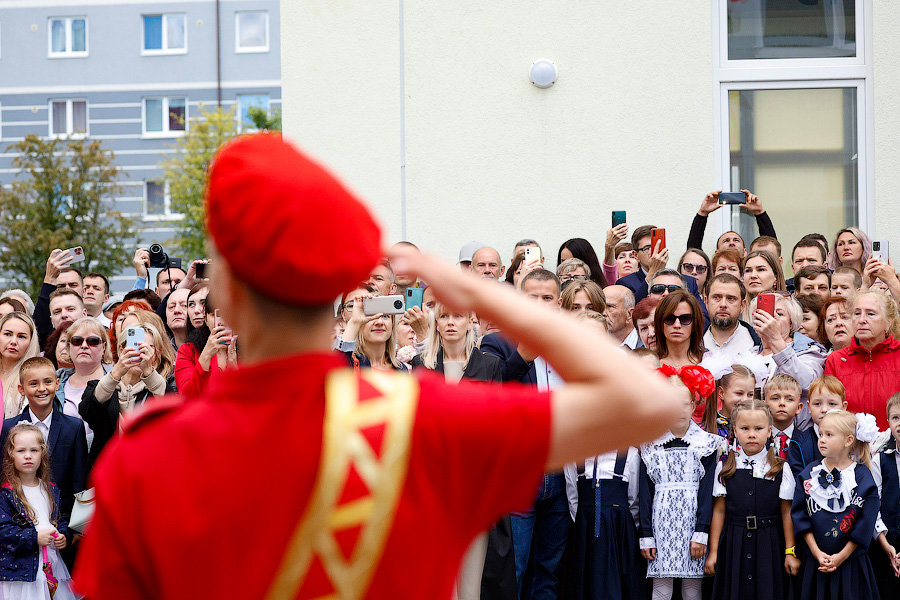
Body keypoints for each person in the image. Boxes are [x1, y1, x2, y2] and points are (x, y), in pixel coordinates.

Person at [72, 133, 681, 600]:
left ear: (223, 297)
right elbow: (651, 402)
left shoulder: (149, 458)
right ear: (341, 287)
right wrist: (488, 296)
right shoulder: (421, 422)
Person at [410, 305, 507, 598]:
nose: (451, 322)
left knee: (472, 582)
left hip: (473, 486)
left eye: (458, 316)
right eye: (444, 316)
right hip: (434, 486)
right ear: (435, 323)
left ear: (470, 322)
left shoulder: (490, 366)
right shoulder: (420, 365)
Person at [639, 369, 721, 600]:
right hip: (661, 525)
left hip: (692, 524)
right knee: (661, 586)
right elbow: (645, 494)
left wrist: (701, 532)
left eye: (684, 404)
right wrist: (647, 535)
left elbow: (707, 494)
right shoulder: (650, 446)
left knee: (692, 588)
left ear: (695, 404)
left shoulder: (706, 445)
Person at [705, 400, 798, 600]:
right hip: (734, 542)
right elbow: (719, 511)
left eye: (758, 428)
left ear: (769, 431)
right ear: (735, 431)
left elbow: (786, 512)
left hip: (769, 543)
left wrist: (790, 551)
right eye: (745, 428)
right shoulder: (725, 467)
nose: (752, 434)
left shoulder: (780, 468)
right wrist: (713, 552)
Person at [791, 410, 881, 600]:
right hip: (816, 565)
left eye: (829, 435)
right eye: (821, 434)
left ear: (849, 440)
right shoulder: (809, 474)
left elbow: (866, 522)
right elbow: (800, 516)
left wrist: (841, 556)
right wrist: (816, 553)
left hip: (851, 565)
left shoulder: (863, 477)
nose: (822, 439)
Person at [0, 357, 88, 526]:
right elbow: (4, 472)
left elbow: (79, 479)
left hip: (61, 520)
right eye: (33, 384)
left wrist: (76, 525)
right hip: (18, 520)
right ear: (22, 389)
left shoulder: (74, 426)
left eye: (47, 382)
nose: (42, 389)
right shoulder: (9, 427)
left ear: (57, 384)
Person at [79, 321, 177, 464]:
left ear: (156, 354)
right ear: (120, 349)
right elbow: (88, 411)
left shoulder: (159, 389)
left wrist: (149, 372)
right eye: (134, 346)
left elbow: (172, 415)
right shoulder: (101, 386)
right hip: (106, 472)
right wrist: (116, 373)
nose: (140, 352)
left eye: (148, 348)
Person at [0, 423, 76, 599]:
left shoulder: (50, 489)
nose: (28, 456)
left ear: (42, 453)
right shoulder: (6, 493)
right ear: (11, 453)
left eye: (34, 450)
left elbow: (59, 519)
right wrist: (35, 538)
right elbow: (3, 531)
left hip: (51, 566)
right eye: (21, 451)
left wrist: (62, 534)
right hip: (22, 572)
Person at [563, 445, 643, 600]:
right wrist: (584, 522)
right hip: (585, 531)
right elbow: (573, 496)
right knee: (584, 581)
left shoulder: (630, 454)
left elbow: (634, 500)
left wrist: (622, 525)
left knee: (619, 581)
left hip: (619, 532)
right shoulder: (574, 455)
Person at [825, 291, 900, 429]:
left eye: (871, 314)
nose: (861, 320)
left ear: (888, 322)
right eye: (857, 313)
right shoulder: (836, 360)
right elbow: (831, 412)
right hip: (850, 444)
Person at [751, 292, 827, 412]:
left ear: (791, 322)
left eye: (779, 314)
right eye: (765, 313)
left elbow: (809, 384)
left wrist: (775, 340)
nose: (771, 318)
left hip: (794, 428)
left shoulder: (808, 349)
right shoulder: (749, 354)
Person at [57, 317, 112, 452]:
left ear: (103, 347)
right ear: (69, 347)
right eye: (77, 341)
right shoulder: (55, 381)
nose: (84, 346)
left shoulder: (117, 379)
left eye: (93, 341)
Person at [785, 375, 846, 479]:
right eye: (817, 404)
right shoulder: (798, 444)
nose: (824, 409)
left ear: (843, 407)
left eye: (832, 404)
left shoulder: (851, 442)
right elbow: (797, 482)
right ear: (809, 407)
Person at [175, 299, 237, 400]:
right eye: (215, 315)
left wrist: (235, 371)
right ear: (206, 319)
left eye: (228, 314)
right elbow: (186, 397)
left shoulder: (252, 350)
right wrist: (206, 356)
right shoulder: (188, 350)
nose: (222, 322)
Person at [871, 392, 900, 600]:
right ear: (888, 421)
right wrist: (885, 544)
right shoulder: (879, 460)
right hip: (886, 543)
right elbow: (874, 506)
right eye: (896, 418)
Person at [687, 190, 776, 255]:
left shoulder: (754, 276)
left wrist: (760, 213)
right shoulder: (709, 277)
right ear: (716, 252)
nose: (731, 243)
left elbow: (771, 249)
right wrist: (702, 213)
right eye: (726, 241)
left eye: (736, 240)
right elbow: (693, 252)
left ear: (745, 251)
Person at [703, 274, 760, 362]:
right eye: (716, 297)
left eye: (731, 299)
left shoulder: (758, 346)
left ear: (742, 305)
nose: (723, 304)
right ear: (706, 302)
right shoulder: (692, 343)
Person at [0, 312, 41, 418]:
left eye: (21, 336)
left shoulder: (33, 378)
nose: (13, 341)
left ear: (31, 342)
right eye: (7, 334)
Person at [654, 290, 705, 369]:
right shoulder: (648, 363)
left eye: (685, 319)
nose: (677, 325)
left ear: (694, 325)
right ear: (660, 323)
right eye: (669, 319)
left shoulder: (708, 362)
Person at [701, 364, 755, 437]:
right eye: (739, 393)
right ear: (721, 393)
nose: (745, 400)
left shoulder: (759, 427)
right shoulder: (704, 431)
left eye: (750, 395)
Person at [764, 374, 803, 460]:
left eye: (789, 399)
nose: (782, 403)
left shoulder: (807, 442)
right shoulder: (757, 440)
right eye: (775, 398)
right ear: (764, 405)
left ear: (798, 408)